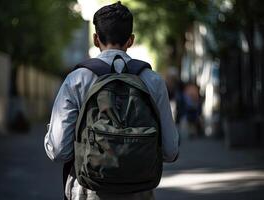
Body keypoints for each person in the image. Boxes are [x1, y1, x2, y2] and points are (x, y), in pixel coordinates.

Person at [44, 2, 179, 200]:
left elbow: (59, 151)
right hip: (139, 191)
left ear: (96, 39)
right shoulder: (153, 81)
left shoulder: (77, 80)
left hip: (87, 191)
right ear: (131, 40)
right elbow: (170, 151)